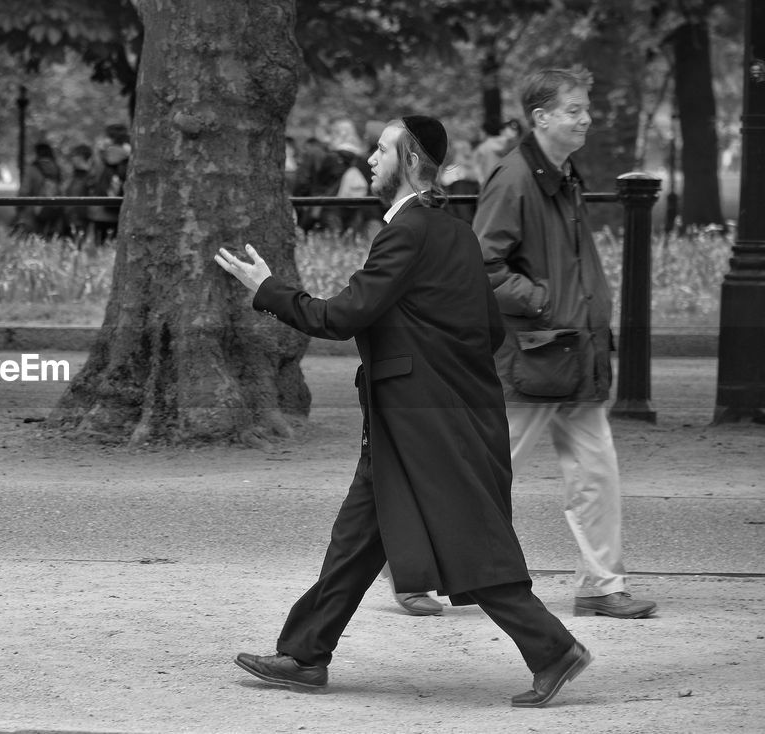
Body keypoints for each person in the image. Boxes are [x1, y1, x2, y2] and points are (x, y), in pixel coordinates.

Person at [214, 115, 592, 707]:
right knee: (357, 538)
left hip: (426, 420)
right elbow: (488, 330)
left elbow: (342, 317)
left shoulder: (407, 232)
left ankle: (553, 650)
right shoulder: (452, 231)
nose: (370, 158)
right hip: (421, 414)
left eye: (383, 149)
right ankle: (306, 654)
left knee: (469, 540)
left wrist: (268, 288)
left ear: (412, 160)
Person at [472, 68, 658, 620]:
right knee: (485, 473)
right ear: (541, 117)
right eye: (574, 109)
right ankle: (411, 558)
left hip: (573, 355)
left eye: (585, 108)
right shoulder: (514, 179)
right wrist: (545, 302)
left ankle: (601, 585)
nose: (586, 118)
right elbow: (481, 264)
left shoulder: (562, 174)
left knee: (596, 472)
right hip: (534, 357)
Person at [86, 124, 131, 248]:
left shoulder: (100, 156)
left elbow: (91, 178)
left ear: (110, 138)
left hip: (100, 209)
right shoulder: (132, 154)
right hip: (122, 209)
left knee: (100, 248)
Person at [12, 141, 65, 239]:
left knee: (32, 241)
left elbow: (24, 191)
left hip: (32, 212)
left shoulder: (32, 169)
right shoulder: (57, 168)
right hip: (54, 211)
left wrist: (19, 207)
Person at [474, 118, 521, 183]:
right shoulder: (513, 146)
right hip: (509, 182)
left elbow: (477, 169)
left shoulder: (483, 147)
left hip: (490, 183)